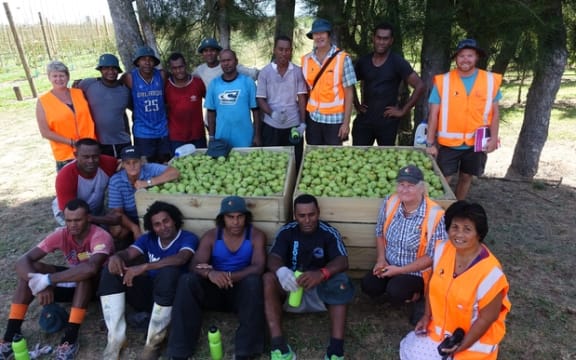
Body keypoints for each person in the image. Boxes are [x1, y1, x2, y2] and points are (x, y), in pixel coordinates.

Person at [0, 199, 114, 360]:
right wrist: (41, 284)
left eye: (77, 220)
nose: (72, 225)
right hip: (73, 282)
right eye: (68, 220)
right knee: (33, 271)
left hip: (99, 288)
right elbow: (22, 261)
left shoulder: (100, 236)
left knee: (84, 274)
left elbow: (91, 268)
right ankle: (10, 336)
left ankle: (70, 338)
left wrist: (47, 280)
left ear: (88, 218)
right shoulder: (61, 234)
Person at [399, 200, 511, 360]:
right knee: (410, 351)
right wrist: (426, 316)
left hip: (473, 342)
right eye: (455, 227)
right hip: (443, 333)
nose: (458, 234)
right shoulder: (443, 249)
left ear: (479, 233)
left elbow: (488, 318)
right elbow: (432, 284)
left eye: (467, 229)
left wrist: (459, 348)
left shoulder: (491, 272)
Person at [167, 196, 267, 360]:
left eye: (240, 216)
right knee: (187, 280)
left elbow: (258, 267)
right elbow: (195, 265)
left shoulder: (256, 236)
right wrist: (210, 274)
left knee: (254, 281)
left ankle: (246, 351)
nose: (236, 222)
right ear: (222, 218)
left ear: (246, 217)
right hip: (214, 290)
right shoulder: (212, 236)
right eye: (230, 217)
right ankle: (179, 350)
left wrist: (229, 276)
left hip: (241, 292)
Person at [99, 201, 198, 360]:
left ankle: (153, 344)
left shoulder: (188, 237)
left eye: (166, 221)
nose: (163, 227)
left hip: (173, 299)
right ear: (152, 227)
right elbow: (129, 253)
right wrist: (117, 257)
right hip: (151, 295)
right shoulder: (148, 239)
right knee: (111, 269)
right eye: (157, 224)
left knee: (169, 273)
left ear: (174, 220)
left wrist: (145, 267)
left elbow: (181, 258)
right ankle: (115, 339)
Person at [263, 194, 354, 360]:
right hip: (291, 289)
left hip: (321, 291)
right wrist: (282, 272)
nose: (307, 220)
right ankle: (278, 346)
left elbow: (343, 261)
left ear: (318, 212)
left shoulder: (329, 232)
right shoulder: (287, 231)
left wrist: (322, 273)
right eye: (302, 216)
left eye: (311, 215)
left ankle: (336, 350)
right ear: (294, 215)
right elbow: (273, 257)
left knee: (341, 281)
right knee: (268, 279)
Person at [360, 165, 446, 324]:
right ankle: (394, 285)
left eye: (411, 186)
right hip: (389, 263)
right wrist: (381, 259)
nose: (404, 190)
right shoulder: (390, 202)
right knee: (369, 285)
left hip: (417, 272)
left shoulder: (436, 215)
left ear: (422, 189)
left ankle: (419, 295)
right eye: (401, 184)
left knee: (396, 290)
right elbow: (379, 231)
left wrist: (400, 270)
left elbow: (433, 256)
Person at [426, 39, 502, 200]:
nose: (465, 59)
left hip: (476, 143)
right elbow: (433, 114)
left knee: (467, 177)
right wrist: (430, 143)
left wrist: (494, 138)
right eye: (461, 56)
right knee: (443, 180)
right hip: (449, 144)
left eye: (470, 55)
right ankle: (439, 210)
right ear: (456, 58)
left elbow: (495, 113)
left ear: (476, 57)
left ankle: (458, 207)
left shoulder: (489, 80)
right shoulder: (443, 81)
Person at [353, 23, 425, 146]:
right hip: (364, 120)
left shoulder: (397, 62)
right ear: (373, 38)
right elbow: (348, 83)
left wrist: (402, 111)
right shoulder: (364, 61)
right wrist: (357, 104)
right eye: (378, 38)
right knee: (358, 157)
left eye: (385, 39)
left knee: (387, 159)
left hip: (387, 121)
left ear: (391, 41)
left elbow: (420, 86)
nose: (381, 42)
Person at [107, 146, 180, 247]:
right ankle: (127, 242)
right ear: (123, 164)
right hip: (131, 217)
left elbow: (174, 172)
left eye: (135, 162)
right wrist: (134, 228)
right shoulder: (116, 181)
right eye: (128, 163)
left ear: (141, 162)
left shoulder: (149, 168)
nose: (132, 166)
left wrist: (148, 182)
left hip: (152, 214)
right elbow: (117, 212)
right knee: (117, 230)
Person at [301, 18, 357, 145]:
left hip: (335, 121)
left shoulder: (343, 59)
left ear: (329, 35)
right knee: (314, 156)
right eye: (316, 33)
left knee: (333, 158)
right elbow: (307, 89)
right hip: (313, 119)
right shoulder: (306, 60)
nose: (319, 36)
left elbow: (349, 93)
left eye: (322, 33)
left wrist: (346, 123)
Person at [257, 35, 308, 167]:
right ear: (274, 50)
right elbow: (260, 99)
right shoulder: (265, 72)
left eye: (287, 50)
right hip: (271, 125)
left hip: (293, 126)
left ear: (291, 51)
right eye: (280, 49)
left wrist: (302, 123)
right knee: (273, 163)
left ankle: (292, 187)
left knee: (294, 163)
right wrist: (272, 113)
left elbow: (302, 98)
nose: (284, 53)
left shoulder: (297, 72)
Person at [36, 60, 96, 171]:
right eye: (55, 76)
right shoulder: (43, 101)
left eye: (62, 75)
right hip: (65, 155)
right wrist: (72, 143)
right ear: (49, 78)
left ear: (68, 76)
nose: (58, 79)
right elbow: (45, 132)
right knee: (70, 186)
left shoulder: (79, 93)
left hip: (90, 150)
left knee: (95, 184)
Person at [52, 138, 119, 227]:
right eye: (86, 157)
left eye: (95, 156)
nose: (91, 161)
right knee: (81, 233)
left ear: (100, 154)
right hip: (70, 214)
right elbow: (71, 212)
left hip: (96, 212)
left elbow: (126, 166)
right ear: (76, 155)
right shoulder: (66, 175)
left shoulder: (108, 163)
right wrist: (105, 220)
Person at [122, 46, 171, 163]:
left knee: (166, 163)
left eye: (150, 59)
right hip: (142, 131)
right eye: (143, 59)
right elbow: (112, 84)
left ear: (154, 62)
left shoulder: (162, 75)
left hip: (162, 129)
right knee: (146, 165)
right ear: (137, 62)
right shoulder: (129, 77)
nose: (147, 62)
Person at [77, 53, 132, 158]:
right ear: (101, 70)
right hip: (100, 142)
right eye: (106, 68)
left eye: (114, 68)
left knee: (125, 171)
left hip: (122, 140)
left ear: (118, 70)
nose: (110, 72)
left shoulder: (124, 89)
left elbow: (130, 109)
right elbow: (73, 93)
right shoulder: (88, 84)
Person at [205, 49, 261, 148]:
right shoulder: (214, 84)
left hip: (245, 138)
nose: (226, 63)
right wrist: (212, 137)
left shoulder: (248, 82)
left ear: (236, 61)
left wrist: (257, 135)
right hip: (221, 139)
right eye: (223, 61)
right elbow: (211, 113)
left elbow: (256, 111)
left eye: (229, 60)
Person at [165, 52, 207, 152]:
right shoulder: (166, 86)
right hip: (176, 138)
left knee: (202, 165)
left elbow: (211, 105)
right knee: (178, 167)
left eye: (181, 67)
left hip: (198, 135)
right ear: (171, 69)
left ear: (185, 65)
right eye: (174, 68)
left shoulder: (197, 82)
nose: (178, 71)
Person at [193, 37, 259, 90]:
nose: (209, 53)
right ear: (202, 54)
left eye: (212, 50)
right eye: (205, 51)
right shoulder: (200, 70)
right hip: (213, 105)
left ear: (218, 52)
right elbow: (188, 80)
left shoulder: (229, 66)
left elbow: (256, 74)